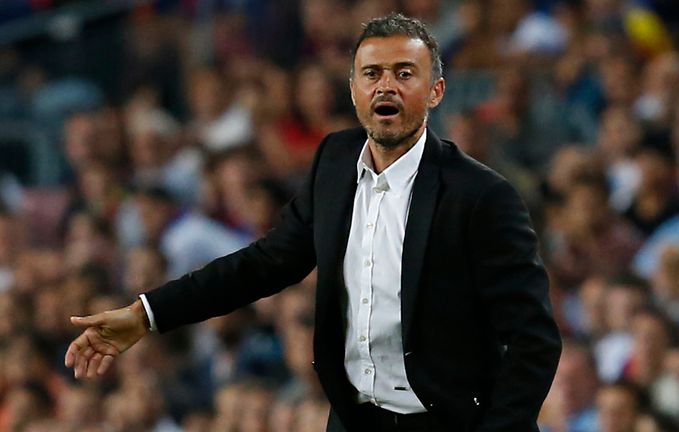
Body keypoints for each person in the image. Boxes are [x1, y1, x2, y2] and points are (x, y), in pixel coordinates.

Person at [64, 13, 561, 432]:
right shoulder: (334, 162)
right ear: (353, 90)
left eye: (405, 73)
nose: (386, 84)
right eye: (372, 73)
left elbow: (533, 339)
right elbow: (264, 264)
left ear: (435, 91)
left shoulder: (483, 196)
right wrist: (147, 314)